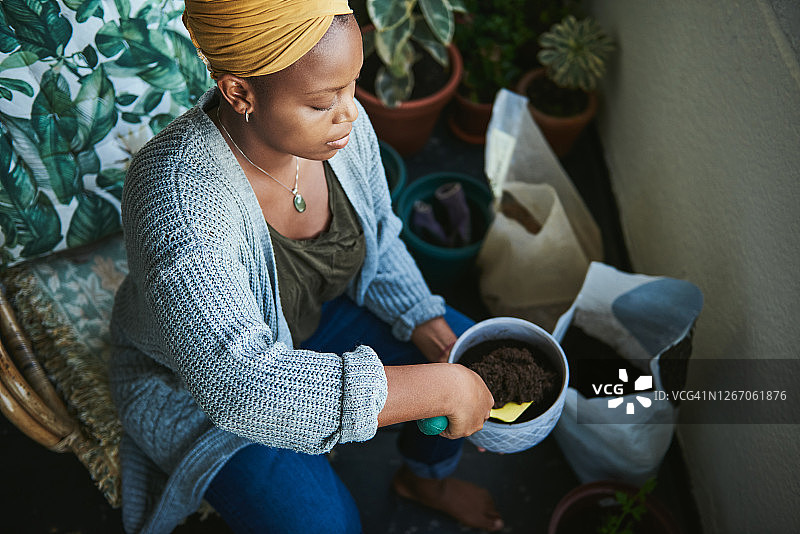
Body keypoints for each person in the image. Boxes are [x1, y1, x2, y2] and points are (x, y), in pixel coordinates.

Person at [108, 1, 503, 532]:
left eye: (353, 85)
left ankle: (424, 480)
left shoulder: (341, 131)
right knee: (328, 526)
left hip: (317, 318)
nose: (351, 113)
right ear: (239, 93)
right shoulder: (176, 198)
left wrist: (428, 327)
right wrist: (439, 389)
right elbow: (238, 385)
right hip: (197, 394)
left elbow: (379, 240)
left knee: (471, 352)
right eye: (322, 102)